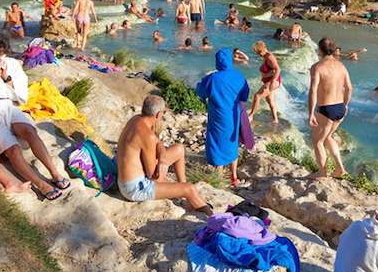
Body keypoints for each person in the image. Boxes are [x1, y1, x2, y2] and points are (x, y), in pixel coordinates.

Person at [0, 34, 70, 201]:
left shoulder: (12, 64)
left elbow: (21, 97)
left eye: (3, 54)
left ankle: (55, 173)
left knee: (30, 132)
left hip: (9, 105)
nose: (0, 59)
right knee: (13, 150)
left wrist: (7, 77)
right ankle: (41, 185)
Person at [116, 95, 211, 214]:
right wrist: (163, 169)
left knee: (179, 149)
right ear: (157, 114)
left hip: (133, 177)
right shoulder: (147, 135)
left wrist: (162, 160)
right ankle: (211, 217)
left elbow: (158, 143)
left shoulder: (136, 120)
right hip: (134, 188)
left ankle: (181, 191)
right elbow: (153, 175)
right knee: (189, 189)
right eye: (164, 112)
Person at [196, 49, 250, 187]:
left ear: (217, 61)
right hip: (234, 115)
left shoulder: (213, 78)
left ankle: (218, 180)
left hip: (217, 117)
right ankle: (234, 177)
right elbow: (244, 96)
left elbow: (201, 92)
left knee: (216, 143)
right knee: (233, 144)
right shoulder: (240, 76)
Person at [308, 37, 353, 178]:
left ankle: (322, 173)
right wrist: (345, 105)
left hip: (326, 109)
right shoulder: (341, 66)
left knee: (317, 142)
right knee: (328, 136)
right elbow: (349, 88)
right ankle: (340, 169)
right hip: (340, 108)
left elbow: (313, 91)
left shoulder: (317, 67)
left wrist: (310, 113)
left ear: (320, 49)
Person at [248, 41, 281, 124]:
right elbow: (271, 71)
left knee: (257, 96)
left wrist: (273, 81)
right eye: (257, 52)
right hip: (269, 81)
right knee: (270, 100)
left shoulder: (269, 57)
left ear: (263, 49)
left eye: (259, 52)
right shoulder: (265, 56)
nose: (258, 54)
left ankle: (251, 116)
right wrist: (265, 75)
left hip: (273, 81)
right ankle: (275, 120)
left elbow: (278, 69)